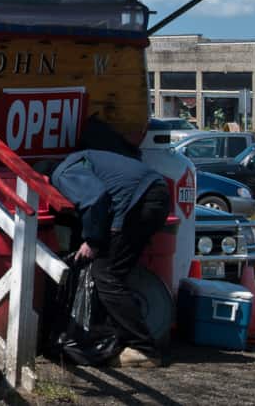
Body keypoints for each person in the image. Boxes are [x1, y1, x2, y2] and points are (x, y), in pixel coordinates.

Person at [49, 149, 171, 367]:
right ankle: (118, 339)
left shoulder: (62, 173)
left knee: (106, 274)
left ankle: (143, 348)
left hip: (139, 201)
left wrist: (92, 241)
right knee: (116, 273)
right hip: (153, 194)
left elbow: (95, 199)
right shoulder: (84, 159)